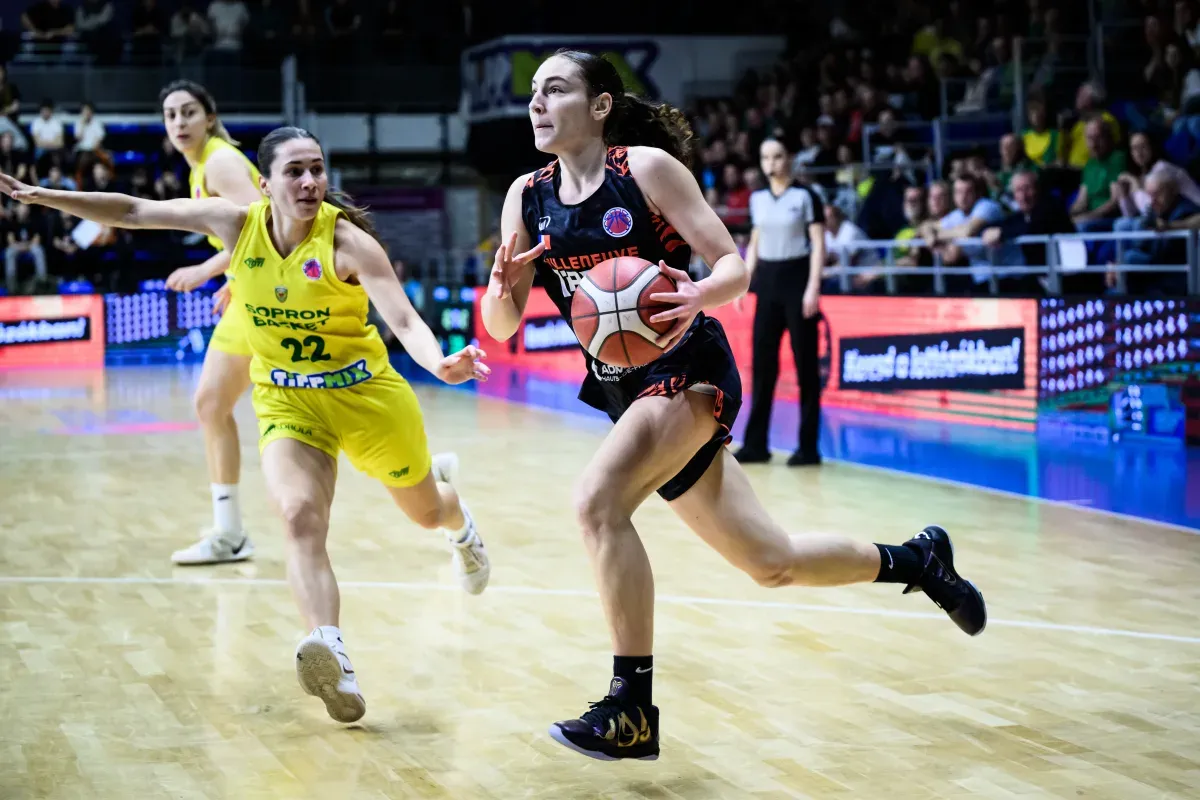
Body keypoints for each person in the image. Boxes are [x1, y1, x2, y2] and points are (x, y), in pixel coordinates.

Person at [483, 49, 987, 763]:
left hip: (689, 369)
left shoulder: (647, 171)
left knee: (597, 503)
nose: (537, 103)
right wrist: (502, 287)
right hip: (629, 391)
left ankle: (632, 708)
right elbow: (500, 326)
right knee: (770, 561)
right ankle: (919, 560)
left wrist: (696, 295)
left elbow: (732, 266)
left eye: (555, 89)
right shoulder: (525, 197)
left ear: (600, 106)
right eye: (533, 92)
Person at [0, 126, 493, 724]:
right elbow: (133, 209)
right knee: (297, 517)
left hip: (367, 399)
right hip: (289, 404)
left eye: (317, 169)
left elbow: (407, 322)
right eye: (295, 171)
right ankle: (331, 651)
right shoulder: (236, 224)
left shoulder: (350, 243)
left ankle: (460, 525)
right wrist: (43, 195)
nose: (310, 181)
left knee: (424, 511)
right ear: (264, 184)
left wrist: (438, 362)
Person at [155, 80, 264, 566]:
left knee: (333, 412)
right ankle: (229, 531)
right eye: (170, 115)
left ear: (210, 118)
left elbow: (258, 224)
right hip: (251, 291)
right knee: (211, 403)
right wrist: (233, 275)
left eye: (188, 112)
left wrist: (206, 270)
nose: (179, 123)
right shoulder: (201, 166)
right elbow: (245, 242)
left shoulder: (219, 161)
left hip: (273, 298)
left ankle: (426, 472)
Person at [733, 137, 826, 467]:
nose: (771, 163)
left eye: (777, 156)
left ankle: (808, 448)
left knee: (806, 370)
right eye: (765, 157)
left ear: (790, 159)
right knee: (762, 366)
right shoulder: (758, 199)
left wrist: (813, 287)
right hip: (767, 285)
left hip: (797, 280)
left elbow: (818, 244)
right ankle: (756, 444)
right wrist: (744, 281)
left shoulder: (806, 196)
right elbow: (755, 242)